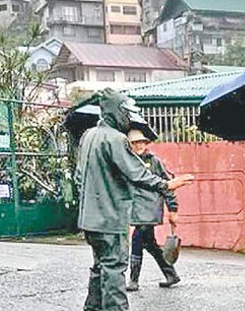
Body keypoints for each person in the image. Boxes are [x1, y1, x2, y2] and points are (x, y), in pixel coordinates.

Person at [75, 88, 193, 311]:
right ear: (115, 112)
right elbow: (137, 173)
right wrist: (166, 185)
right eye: (125, 112)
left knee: (100, 267)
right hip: (110, 219)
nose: (128, 118)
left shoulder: (88, 136)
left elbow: (79, 177)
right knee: (114, 268)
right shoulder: (116, 139)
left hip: (90, 219)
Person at [126, 128, 181, 291]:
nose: (139, 145)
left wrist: (173, 208)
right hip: (137, 209)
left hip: (150, 208)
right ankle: (171, 274)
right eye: (135, 143)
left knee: (137, 238)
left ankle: (133, 280)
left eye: (141, 142)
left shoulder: (154, 161)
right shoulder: (128, 163)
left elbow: (167, 185)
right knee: (149, 243)